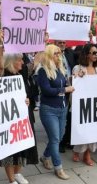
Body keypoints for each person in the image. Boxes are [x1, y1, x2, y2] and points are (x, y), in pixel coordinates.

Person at [0, 53, 36, 184]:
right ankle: (11, 179)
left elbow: (27, 95)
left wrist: (27, 100)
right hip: (9, 120)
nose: (22, 63)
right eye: (20, 60)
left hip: (23, 117)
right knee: (10, 150)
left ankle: (17, 173)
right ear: (12, 61)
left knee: (23, 146)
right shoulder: (3, 76)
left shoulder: (20, 76)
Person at [37, 44, 74, 180]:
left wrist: (73, 80)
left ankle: (45, 157)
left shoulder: (61, 69)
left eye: (60, 53)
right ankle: (58, 168)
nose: (59, 55)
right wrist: (64, 90)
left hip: (62, 108)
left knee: (58, 136)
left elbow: (64, 84)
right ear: (49, 55)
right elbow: (47, 90)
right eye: (56, 53)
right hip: (49, 110)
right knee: (55, 139)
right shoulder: (43, 71)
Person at [72, 44, 97, 166]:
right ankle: (77, 151)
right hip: (83, 106)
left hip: (96, 105)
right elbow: (73, 82)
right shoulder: (78, 68)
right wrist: (78, 76)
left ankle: (88, 155)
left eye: (96, 53)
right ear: (86, 54)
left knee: (94, 131)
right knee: (82, 130)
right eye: (93, 53)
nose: (95, 55)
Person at [55, 40, 77, 153]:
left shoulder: (70, 53)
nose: (62, 44)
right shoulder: (53, 54)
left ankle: (66, 139)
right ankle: (58, 142)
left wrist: (89, 38)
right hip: (59, 88)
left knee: (70, 115)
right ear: (56, 43)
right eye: (60, 42)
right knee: (60, 117)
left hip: (71, 87)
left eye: (64, 42)